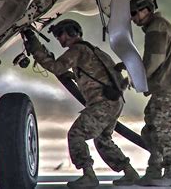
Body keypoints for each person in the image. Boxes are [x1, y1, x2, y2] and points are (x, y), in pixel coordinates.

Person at [22, 19, 139, 187]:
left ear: (71, 32)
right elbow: (97, 74)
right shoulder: (92, 50)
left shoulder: (77, 50)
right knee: (102, 139)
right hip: (114, 101)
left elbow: (56, 67)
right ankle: (130, 172)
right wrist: (74, 77)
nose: (59, 39)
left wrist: (35, 47)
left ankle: (89, 175)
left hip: (102, 103)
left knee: (76, 134)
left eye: (60, 34)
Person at [123, 0, 171, 186]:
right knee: (150, 129)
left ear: (146, 10)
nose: (133, 18)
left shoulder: (156, 28)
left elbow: (154, 60)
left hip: (169, 84)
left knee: (159, 128)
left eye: (135, 13)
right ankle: (154, 170)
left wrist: (135, 79)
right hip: (164, 84)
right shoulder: (156, 27)